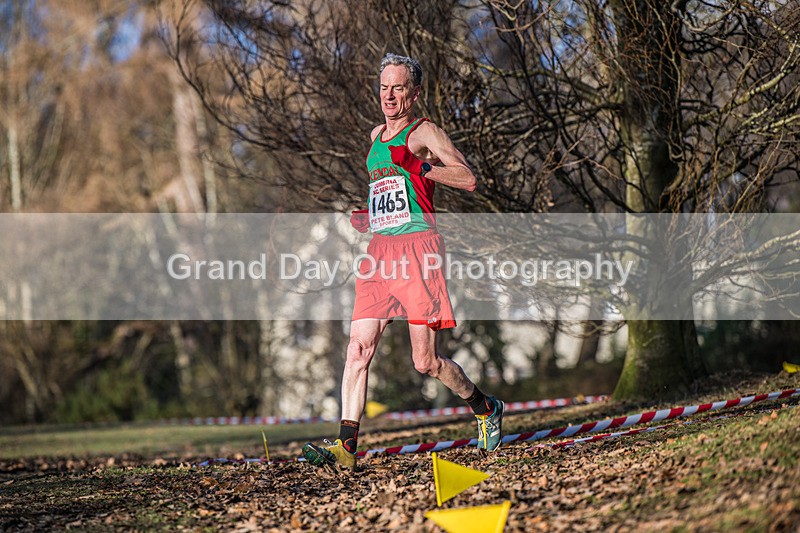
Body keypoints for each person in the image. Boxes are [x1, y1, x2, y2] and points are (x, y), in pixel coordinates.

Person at [302, 53, 503, 471]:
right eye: (384, 87)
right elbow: (393, 195)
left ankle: (485, 408)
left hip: (418, 252)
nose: (389, 96)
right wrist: (370, 216)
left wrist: (422, 165)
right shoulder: (376, 136)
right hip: (380, 253)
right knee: (357, 348)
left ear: (413, 93)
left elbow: (467, 178)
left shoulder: (424, 131)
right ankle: (346, 448)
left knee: (425, 362)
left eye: (397, 88)